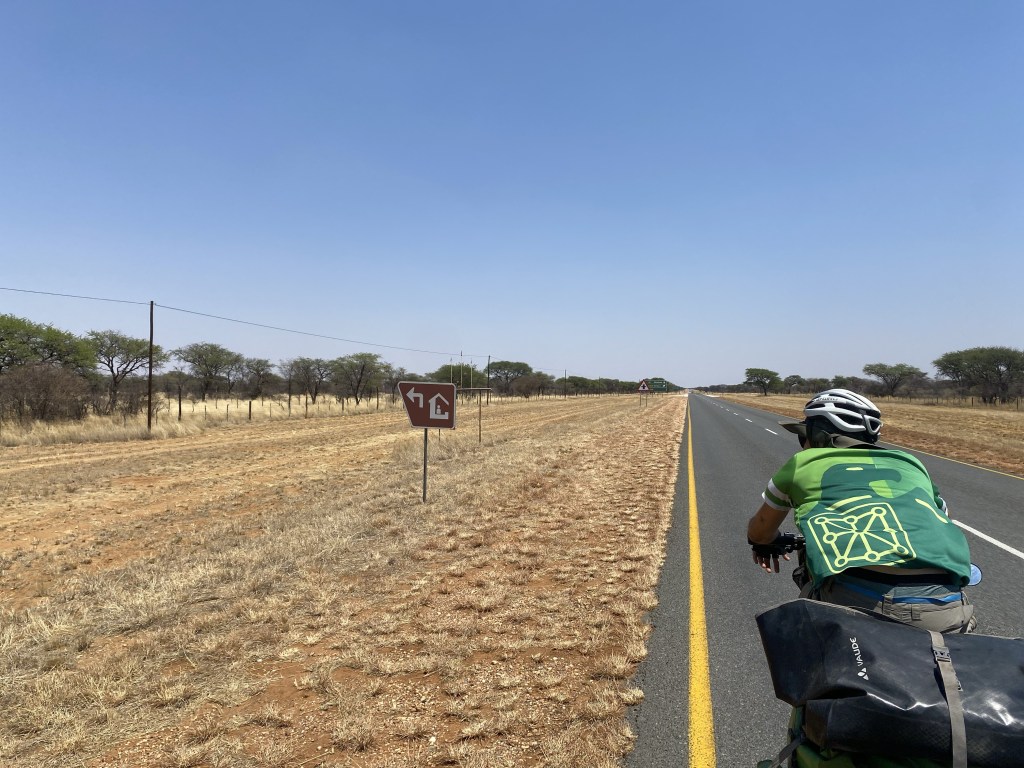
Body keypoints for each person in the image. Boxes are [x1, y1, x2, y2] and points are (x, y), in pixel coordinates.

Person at [746, 388, 976, 633]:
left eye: (804, 435)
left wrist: (767, 542)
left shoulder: (803, 463)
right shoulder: (912, 463)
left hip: (861, 602)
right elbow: (942, 518)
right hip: (945, 604)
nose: (803, 443)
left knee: (806, 643)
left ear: (819, 435)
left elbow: (760, 531)